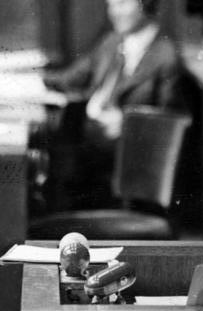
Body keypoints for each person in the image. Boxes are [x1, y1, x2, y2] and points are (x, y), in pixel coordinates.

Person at [42, 0, 190, 209]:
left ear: (145, 5)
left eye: (121, 3)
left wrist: (127, 123)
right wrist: (26, 80)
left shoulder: (166, 57)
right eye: (110, 4)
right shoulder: (112, 41)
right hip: (89, 147)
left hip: (125, 162)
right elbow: (70, 78)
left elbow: (171, 125)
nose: (114, 12)